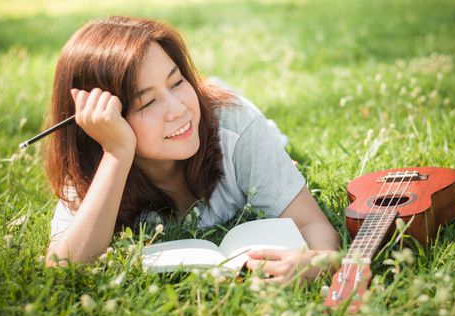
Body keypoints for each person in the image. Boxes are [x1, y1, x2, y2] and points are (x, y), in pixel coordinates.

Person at [44, 16, 341, 285]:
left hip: (227, 116)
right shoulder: (92, 163)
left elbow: (313, 223)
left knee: (272, 137)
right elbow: (65, 268)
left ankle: (213, 87)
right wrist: (117, 153)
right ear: (105, 122)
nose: (177, 108)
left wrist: (317, 263)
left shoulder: (236, 127)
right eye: (147, 102)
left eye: (177, 82)